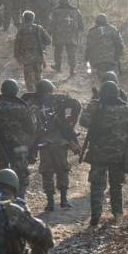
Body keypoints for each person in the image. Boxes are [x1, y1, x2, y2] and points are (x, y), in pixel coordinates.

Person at [80, 81, 128, 226]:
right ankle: (117, 214)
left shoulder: (96, 106)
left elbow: (83, 121)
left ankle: (95, 216)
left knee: (97, 185)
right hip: (118, 155)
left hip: (98, 154)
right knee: (116, 185)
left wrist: (94, 105)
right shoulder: (125, 108)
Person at [27, 79, 82, 211]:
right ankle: (63, 201)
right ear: (49, 89)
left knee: (47, 171)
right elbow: (77, 104)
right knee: (62, 169)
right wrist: (71, 122)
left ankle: (50, 203)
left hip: (43, 142)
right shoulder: (58, 99)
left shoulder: (32, 101)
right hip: (59, 141)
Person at [0, 79, 36, 197]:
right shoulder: (22, 108)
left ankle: (3, 200)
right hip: (19, 148)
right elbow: (32, 129)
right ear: (16, 91)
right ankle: (20, 201)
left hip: (0, 148)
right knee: (21, 175)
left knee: (2, 175)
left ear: (2, 91)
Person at [14, 10, 52, 92]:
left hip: (26, 57)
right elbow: (49, 41)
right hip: (38, 56)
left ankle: (31, 96)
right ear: (33, 18)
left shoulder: (21, 30)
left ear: (24, 19)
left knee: (28, 79)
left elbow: (17, 44)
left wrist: (17, 57)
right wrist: (41, 43)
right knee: (38, 77)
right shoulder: (39, 28)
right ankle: (39, 94)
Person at [48, 0, 84, 75]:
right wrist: (80, 30)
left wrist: (49, 32)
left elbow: (52, 23)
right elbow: (80, 22)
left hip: (59, 35)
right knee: (71, 53)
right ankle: (72, 69)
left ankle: (57, 66)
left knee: (58, 52)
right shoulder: (75, 11)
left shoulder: (56, 11)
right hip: (71, 35)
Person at [84, 13, 124, 81]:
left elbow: (89, 46)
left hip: (97, 59)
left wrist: (87, 56)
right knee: (112, 76)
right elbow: (119, 43)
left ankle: (103, 88)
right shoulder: (113, 29)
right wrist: (119, 53)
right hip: (111, 58)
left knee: (101, 77)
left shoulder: (91, 31)